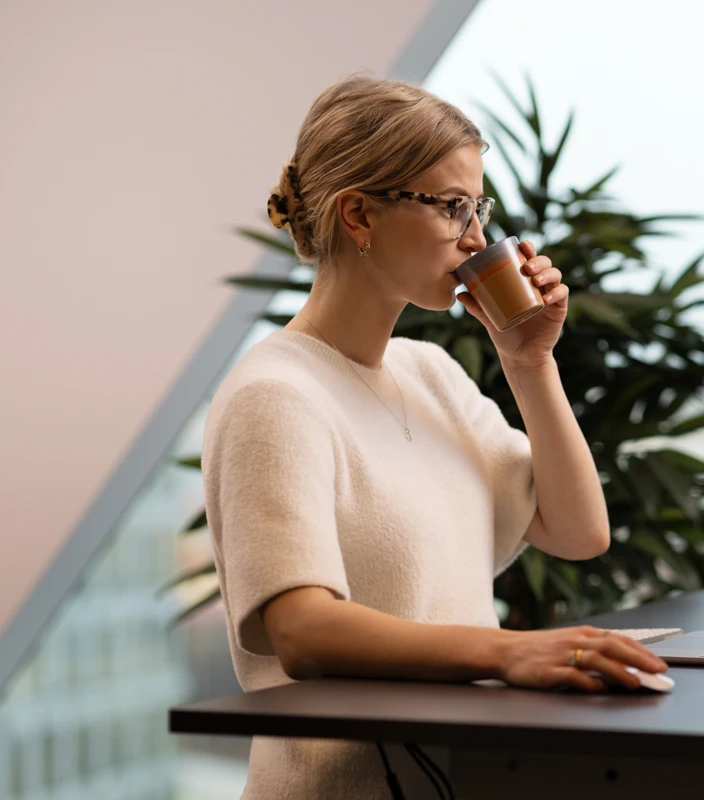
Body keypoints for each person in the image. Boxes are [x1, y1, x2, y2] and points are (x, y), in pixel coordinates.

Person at [200, 73, 670, 799]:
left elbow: (579, 533)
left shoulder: (433, 374)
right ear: (359, 215)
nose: (477, 238)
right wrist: (509, 652)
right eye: (454, 208)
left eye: (477, 208)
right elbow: (301, 630)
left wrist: (530, 362)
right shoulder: (276, 395)